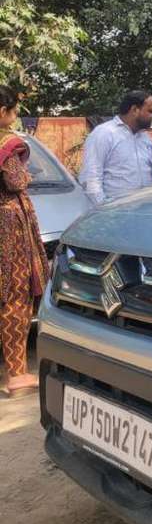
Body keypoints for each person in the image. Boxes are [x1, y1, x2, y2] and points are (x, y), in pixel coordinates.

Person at [0, 86, 49, 397]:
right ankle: (17, 374)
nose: (15, 116)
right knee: (15, 296)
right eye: (14, 110)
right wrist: (28, 176)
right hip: (8, 225)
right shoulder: (7, 143)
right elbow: (15, 181)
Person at [78, 90, 152, 206]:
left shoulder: (146, 139)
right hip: (115, 214)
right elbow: (91, 178)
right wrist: (105, 210)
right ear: (135, 110)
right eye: (151, 111)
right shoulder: (104, 134)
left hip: (145, 213)